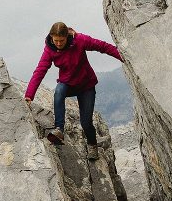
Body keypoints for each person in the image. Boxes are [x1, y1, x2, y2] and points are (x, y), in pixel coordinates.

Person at [24, 22, 123, 160]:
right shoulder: (49, 49)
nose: (58, 43)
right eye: (55, 40)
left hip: (86, 85)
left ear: (67, 36)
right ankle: (59, 129)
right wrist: (29, 95)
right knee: (58, 91)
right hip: (68, 84)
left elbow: (103, 46)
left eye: (61, 40)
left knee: (86, 123)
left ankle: (92, 146)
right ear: (51, 38)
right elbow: (40, 71)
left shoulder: (80, 40)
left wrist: (122, 56)